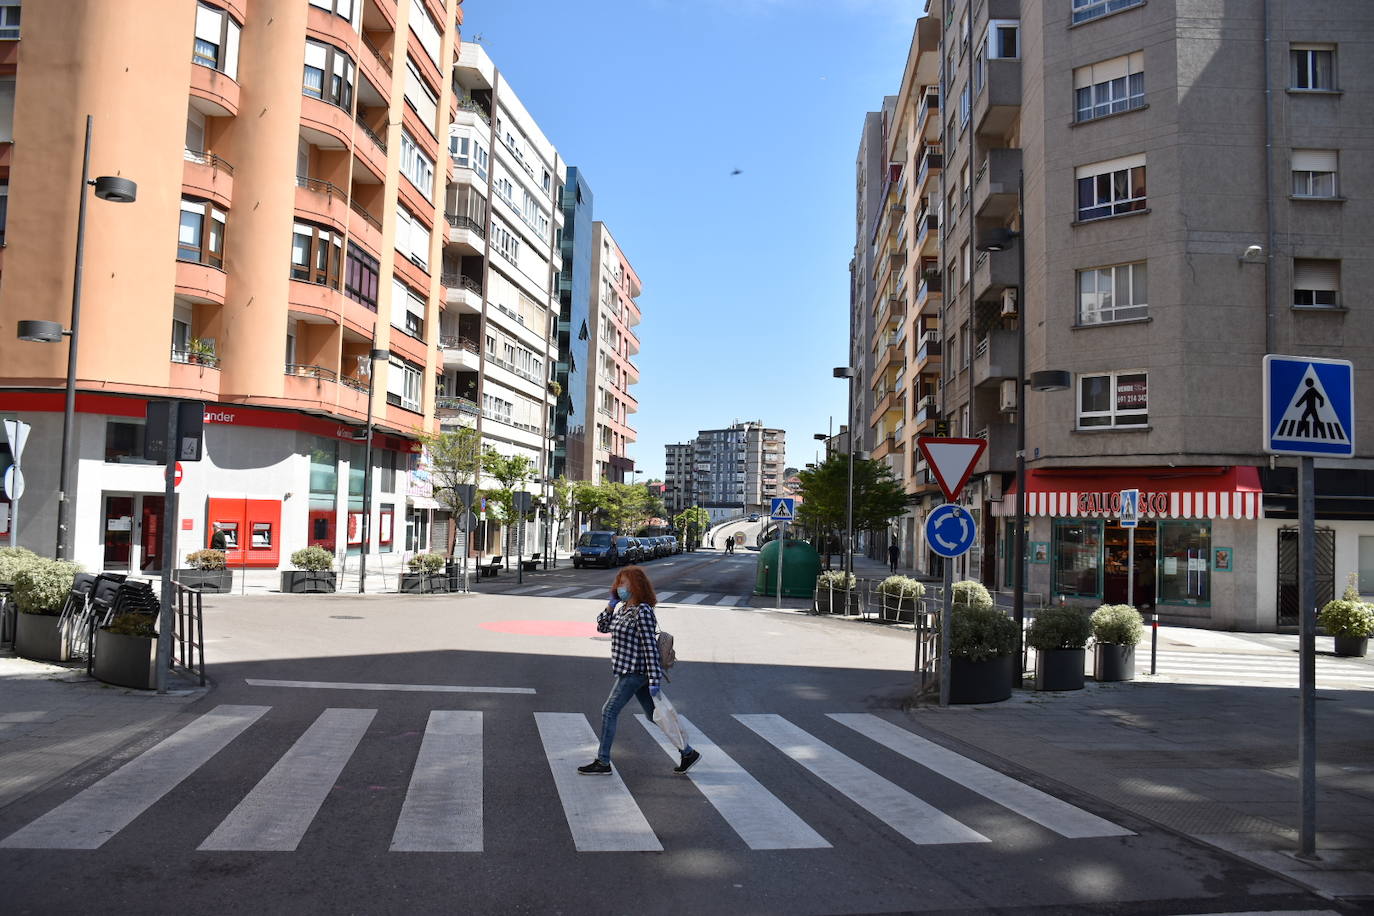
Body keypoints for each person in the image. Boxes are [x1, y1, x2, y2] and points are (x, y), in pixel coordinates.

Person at [579, 565, 700, 776]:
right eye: (618, 583)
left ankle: (603, 761)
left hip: (635, 672)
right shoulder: (624, 608)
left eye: (624, 583)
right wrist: (610, 605)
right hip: (628, 670)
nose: (619, 587)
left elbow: (649, 647)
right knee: (653, 715)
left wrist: (654, 679)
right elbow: (602, 627)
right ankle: (687, 752)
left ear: (636, 586)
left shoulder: (642, 611)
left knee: (609, 711)